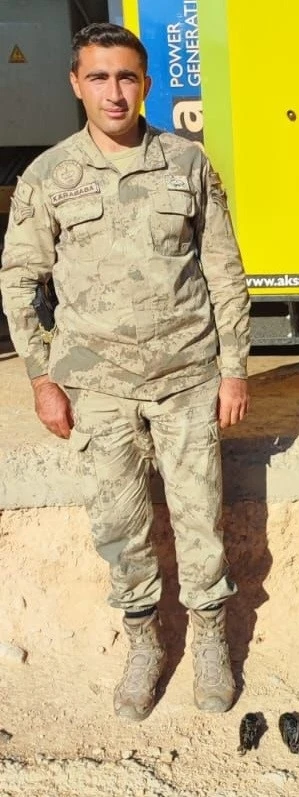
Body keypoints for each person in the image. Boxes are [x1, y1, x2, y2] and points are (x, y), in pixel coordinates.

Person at [0, 23, 251, 722]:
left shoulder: (186, 163)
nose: (114, 92)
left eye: (126, 77)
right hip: (97, 385)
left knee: (200, 518)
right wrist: (42, 378)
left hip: (186, 376)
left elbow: (225, 272)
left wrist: (234, 370)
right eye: (99, 77)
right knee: (119, 523)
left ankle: (210, 639)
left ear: (145, 84)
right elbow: (19, 281)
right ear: (75, 84)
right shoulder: (49, 176)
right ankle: (144, 643)